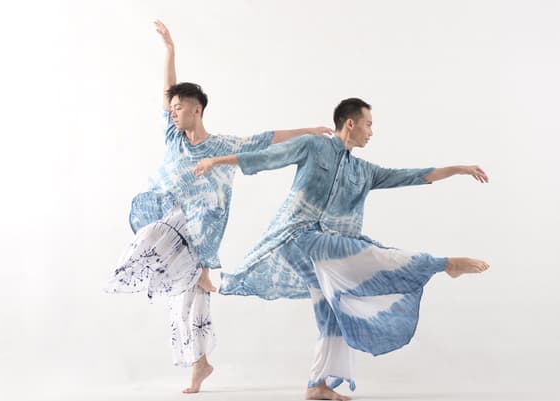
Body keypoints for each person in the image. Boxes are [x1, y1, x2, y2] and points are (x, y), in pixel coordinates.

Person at [194, 97, 490, 401]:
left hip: (325, 246)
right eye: (368, 124)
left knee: (333, 310)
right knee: (370, 253)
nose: (371, 132)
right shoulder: (313, 146)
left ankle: (317, 384)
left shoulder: (364, 171)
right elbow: (268, 156)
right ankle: (444, 264)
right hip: (297, 237)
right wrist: (215, 161)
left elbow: (414, 175)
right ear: (350, 123)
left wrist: (457, 169)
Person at [105, 20, 332, 394]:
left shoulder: (223, 146)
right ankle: (201, 341)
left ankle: (200, 346)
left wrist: (308, 130)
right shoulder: (174, 137)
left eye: (179, 107)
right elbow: (167, 90)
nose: (173, 112)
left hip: (201, 229)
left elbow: (266, 139)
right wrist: (170, 50)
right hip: (173, 218)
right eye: (171, 108)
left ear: (197, 110)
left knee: (186, 288)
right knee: (180, 286)